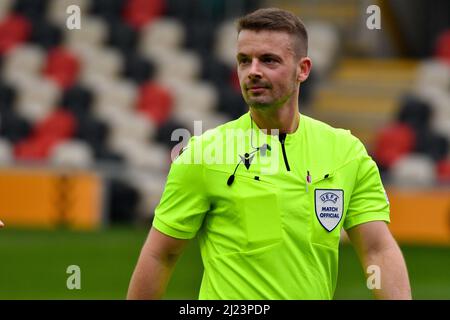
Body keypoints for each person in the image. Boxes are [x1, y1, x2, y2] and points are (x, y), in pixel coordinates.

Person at [127, 8, 411, 300]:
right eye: (244, 60)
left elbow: (378, 249)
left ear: (303, 69)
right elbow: (159, 255)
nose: (253, 71)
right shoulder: (204, 155)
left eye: (269, 60)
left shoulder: (346, 153)